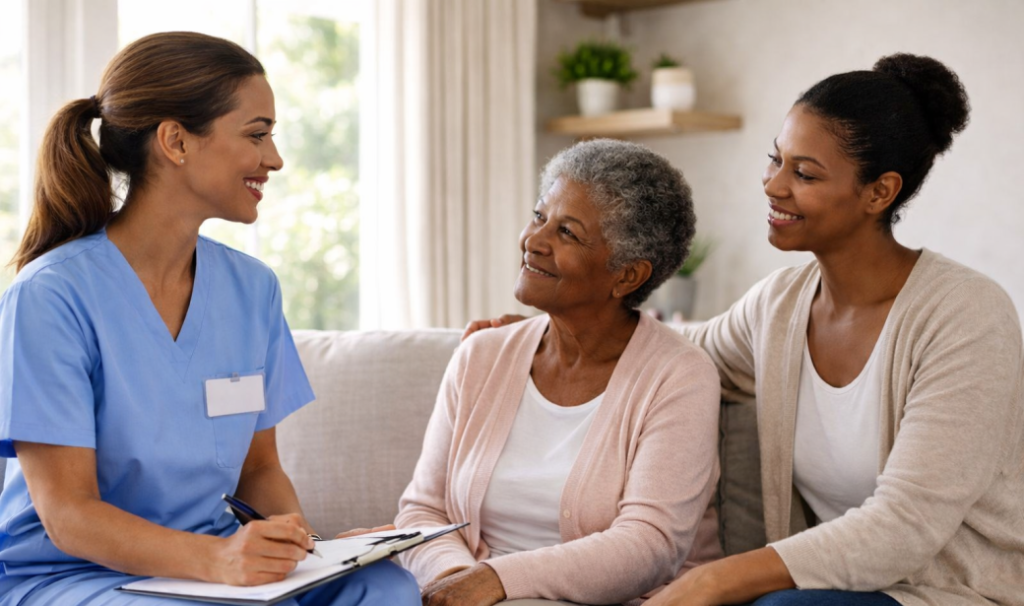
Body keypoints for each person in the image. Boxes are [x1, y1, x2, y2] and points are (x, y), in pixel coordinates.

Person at [467, 53, 1024, 606]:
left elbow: (905, 525)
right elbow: (669, 353)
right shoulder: (778, 306)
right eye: (774, 160)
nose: (773, 185)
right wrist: (552, 329)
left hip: (952, 593)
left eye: (804, 173)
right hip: (833, 593)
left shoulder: (965, 316)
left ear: (879, 192)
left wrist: (713, 579)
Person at [0, 31, 419, 605]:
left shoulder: (253, 290)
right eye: (257, 134)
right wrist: (218, 562)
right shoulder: (52, 296)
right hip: (76, 575)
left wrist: (306, 552)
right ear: (175, 141)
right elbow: (69, 515)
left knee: (384, 588)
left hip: (215, 566)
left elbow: (258, 470)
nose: (274, 159)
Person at [396, 139, 723, 606]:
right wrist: (456, 580)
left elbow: (650, 545)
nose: (534, 240)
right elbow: (423, 509)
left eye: (567, 232)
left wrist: (494, 581)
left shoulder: (679, 377)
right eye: (538, 216)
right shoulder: (481, 355)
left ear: (627, 275)